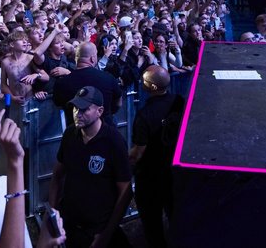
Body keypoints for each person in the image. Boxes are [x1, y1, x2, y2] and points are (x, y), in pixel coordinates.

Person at [49, 86, 132, 248]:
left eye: (84, 109)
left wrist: (106, 234)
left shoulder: (113, 141)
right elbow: (57, 175)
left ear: (99, 111)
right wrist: (53, 215)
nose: (77, 114)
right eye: (75, 108)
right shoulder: (69, 135)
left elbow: (126, 191)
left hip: (98, 229)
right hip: (71, 226)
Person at [129, 66, 184, 248]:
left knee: (152, 224)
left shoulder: (144, 115)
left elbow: (139, 151)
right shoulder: (180, 102)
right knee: (176, 216)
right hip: (175, 173)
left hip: (151, 178)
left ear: (151, 87)